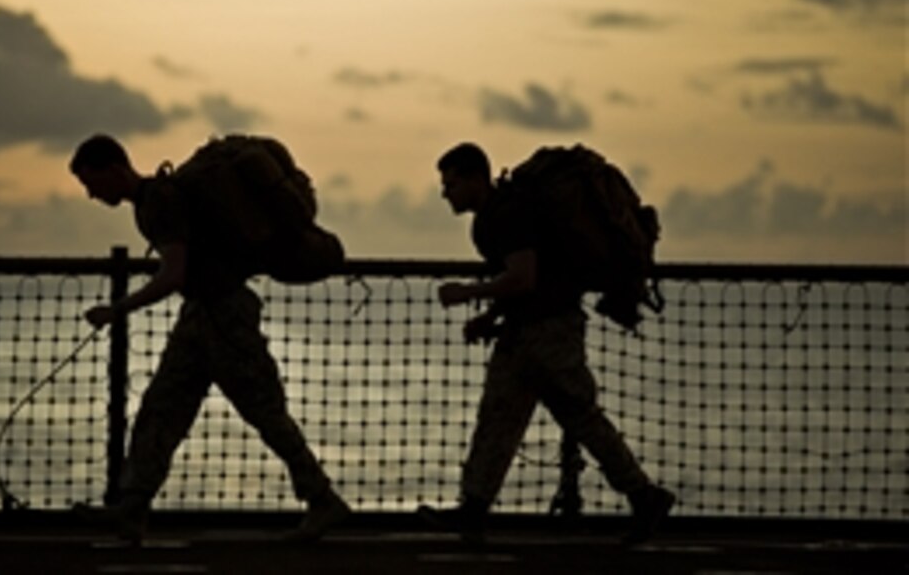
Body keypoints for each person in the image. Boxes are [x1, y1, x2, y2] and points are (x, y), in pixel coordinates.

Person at [69, 133, 350, 543]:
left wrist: (117, 310)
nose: (92, 194)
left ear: (113, 169)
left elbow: (173, 274)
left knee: (264, 412)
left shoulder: (157, 204)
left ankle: (323, 500)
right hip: (203, 312)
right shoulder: (162, 197)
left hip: (222, 313)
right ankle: (131, 508)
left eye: (91, 182)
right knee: (162, 409)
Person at [418, 142, 674, 545]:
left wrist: (466, 294)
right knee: (505, 416)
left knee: (569, 418)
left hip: (548, 332)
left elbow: (524, 277)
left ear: (473, 179)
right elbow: (525, 279)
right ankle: (474, 508)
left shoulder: (505, 216)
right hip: (532, 330)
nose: (445, 192)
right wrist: (490, 317)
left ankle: (644, 496)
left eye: (450, 183)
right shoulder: (502, 213)